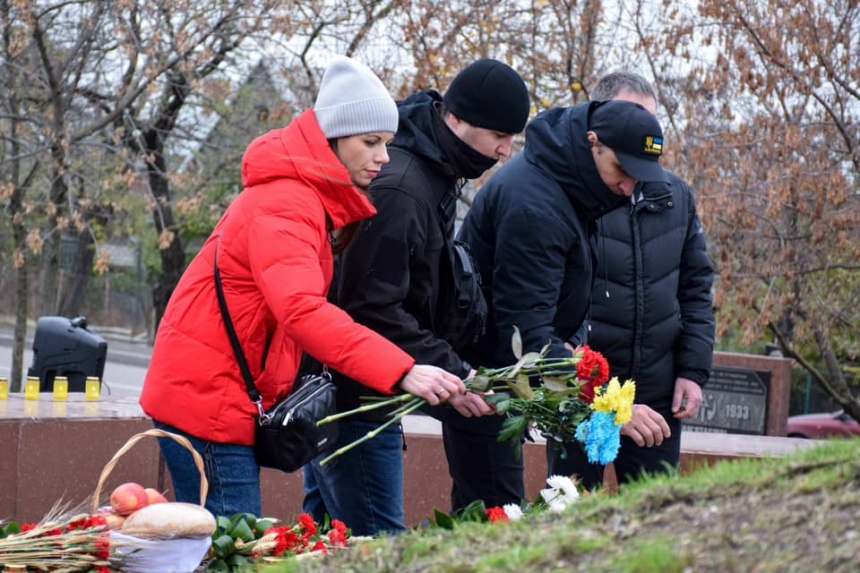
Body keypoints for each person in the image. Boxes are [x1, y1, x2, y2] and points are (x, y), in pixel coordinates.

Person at [139, 56, 466, 518]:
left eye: (387, 143)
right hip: (207, 400)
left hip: (215, 392)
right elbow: (302, 310)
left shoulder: (304, 198)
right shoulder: (288, 204)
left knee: (220, 545)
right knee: (235, 546)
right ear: (333, 138)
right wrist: (402, 370)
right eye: (370, 142)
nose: (384, 157)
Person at [302, 59, 531, 536]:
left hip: (365, 388)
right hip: (357, 398)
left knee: (324, 546)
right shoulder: (404, 185)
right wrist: (452, 369)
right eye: (499, 137)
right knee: (381, 547)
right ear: (458, 120)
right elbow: (368, 306)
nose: (506, 152)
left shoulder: (432, 168)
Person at [454, 99, 670, 510]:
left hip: (503, 382)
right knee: (492, 518)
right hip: (489, 385)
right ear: (593, 144)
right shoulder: (536, 204)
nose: (629, 189)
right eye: (623, 171)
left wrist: (571, 343)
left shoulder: (564, 186)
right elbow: (529, 336)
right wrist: (615, 406)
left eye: (639, 178)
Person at [545, 71, 716, 490]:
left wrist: (693, 371)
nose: (644, 130)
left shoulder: (675, 195)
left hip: (657, 396)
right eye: (632, 116)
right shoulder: (570, 194)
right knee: (571, 509)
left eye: (651, 118)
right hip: (586, 392)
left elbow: (696, 288)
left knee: (656, 521)